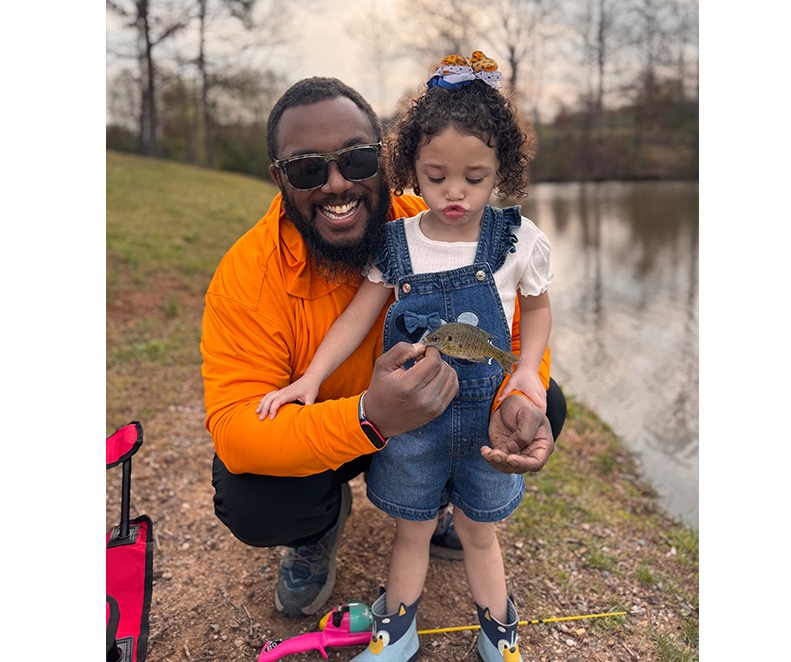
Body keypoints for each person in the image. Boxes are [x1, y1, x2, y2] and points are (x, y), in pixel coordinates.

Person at [200, 74, 567, 630]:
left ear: (386, 159)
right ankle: (314, 533)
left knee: (545, 404)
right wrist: (369, 417)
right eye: (307, 168)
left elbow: (517, 325)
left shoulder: (440, 218)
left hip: (446, 414)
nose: (336, 184)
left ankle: (449, 500)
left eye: (357, 159)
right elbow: (235, 427)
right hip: (342, 426)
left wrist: (524, 386)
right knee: (255, 498)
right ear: (279, 178)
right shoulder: (248, 277)